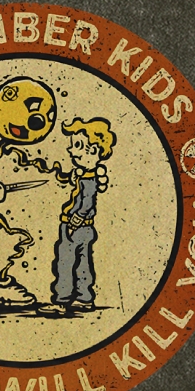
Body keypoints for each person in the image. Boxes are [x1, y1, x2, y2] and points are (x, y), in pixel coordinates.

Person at [36, 118, 114, 317]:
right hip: (86, 228)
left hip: (75, 227)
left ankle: (61, 300)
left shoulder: (88, 181)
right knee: (82, 263)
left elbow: (87, 204)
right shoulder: (87, 176)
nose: (71, 150)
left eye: (77, 145)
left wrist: (74, 222)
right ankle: (84, 298)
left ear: (93, 150)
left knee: (65, 262)